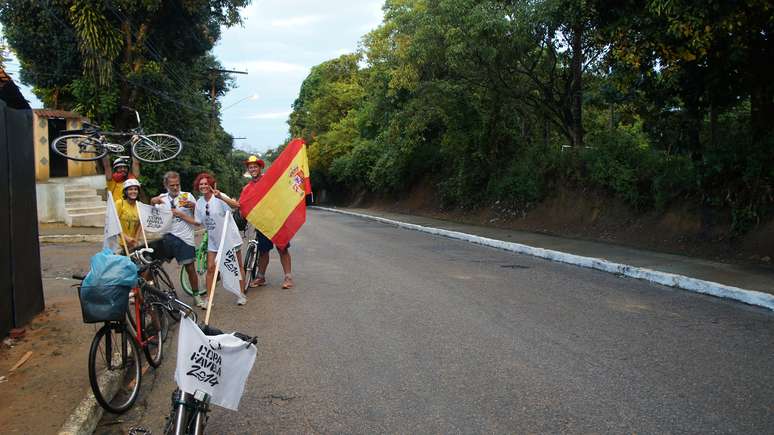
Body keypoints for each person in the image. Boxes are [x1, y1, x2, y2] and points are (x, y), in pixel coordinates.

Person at [177, 172, 247, 306]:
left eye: (206, 183)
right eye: (201, 184)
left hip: (230, 238)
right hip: (214, 241)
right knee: (210, 268)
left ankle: (241, 294)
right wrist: (181, 215)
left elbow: (236, 205)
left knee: (237, 267)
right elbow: (198, 222)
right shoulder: (199, 202)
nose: (203, 186)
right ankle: (209, 298)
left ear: (211, 184)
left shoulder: (219, 196)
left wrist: (221, 196)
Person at [240, 155, 294, 289]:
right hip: (262, 223)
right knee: (263, 251)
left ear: (260, 168)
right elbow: (242, 204)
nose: (252, 169)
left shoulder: (269, 180)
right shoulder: (246, 188)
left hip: (277, 220)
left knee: (282, 248)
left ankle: (288, 277)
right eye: (250, 167)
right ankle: (261, 277)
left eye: (255, 167)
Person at [149, 171, 201, 305]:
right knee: (153, 265)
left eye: (177, 185)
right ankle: (147, 292)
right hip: (167, 237)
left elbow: (198, 218)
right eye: (172, 185)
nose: (175, 188)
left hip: (184, 238)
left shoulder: (187, 196)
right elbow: (152, 216)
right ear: (166, 185)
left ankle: (197, 296)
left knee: (190, 268)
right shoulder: (161, 198)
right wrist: (151, 202)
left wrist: (194, 207)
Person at [114, 178, 143, 250]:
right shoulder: (120, 203)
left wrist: (135, 240)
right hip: (118, 243)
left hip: (133, 243)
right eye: (130, 189)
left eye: (135, 189)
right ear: (125, 191)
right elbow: (113, 224)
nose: (133, 191)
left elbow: (140, 225)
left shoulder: (140, 205)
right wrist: (125, 238)